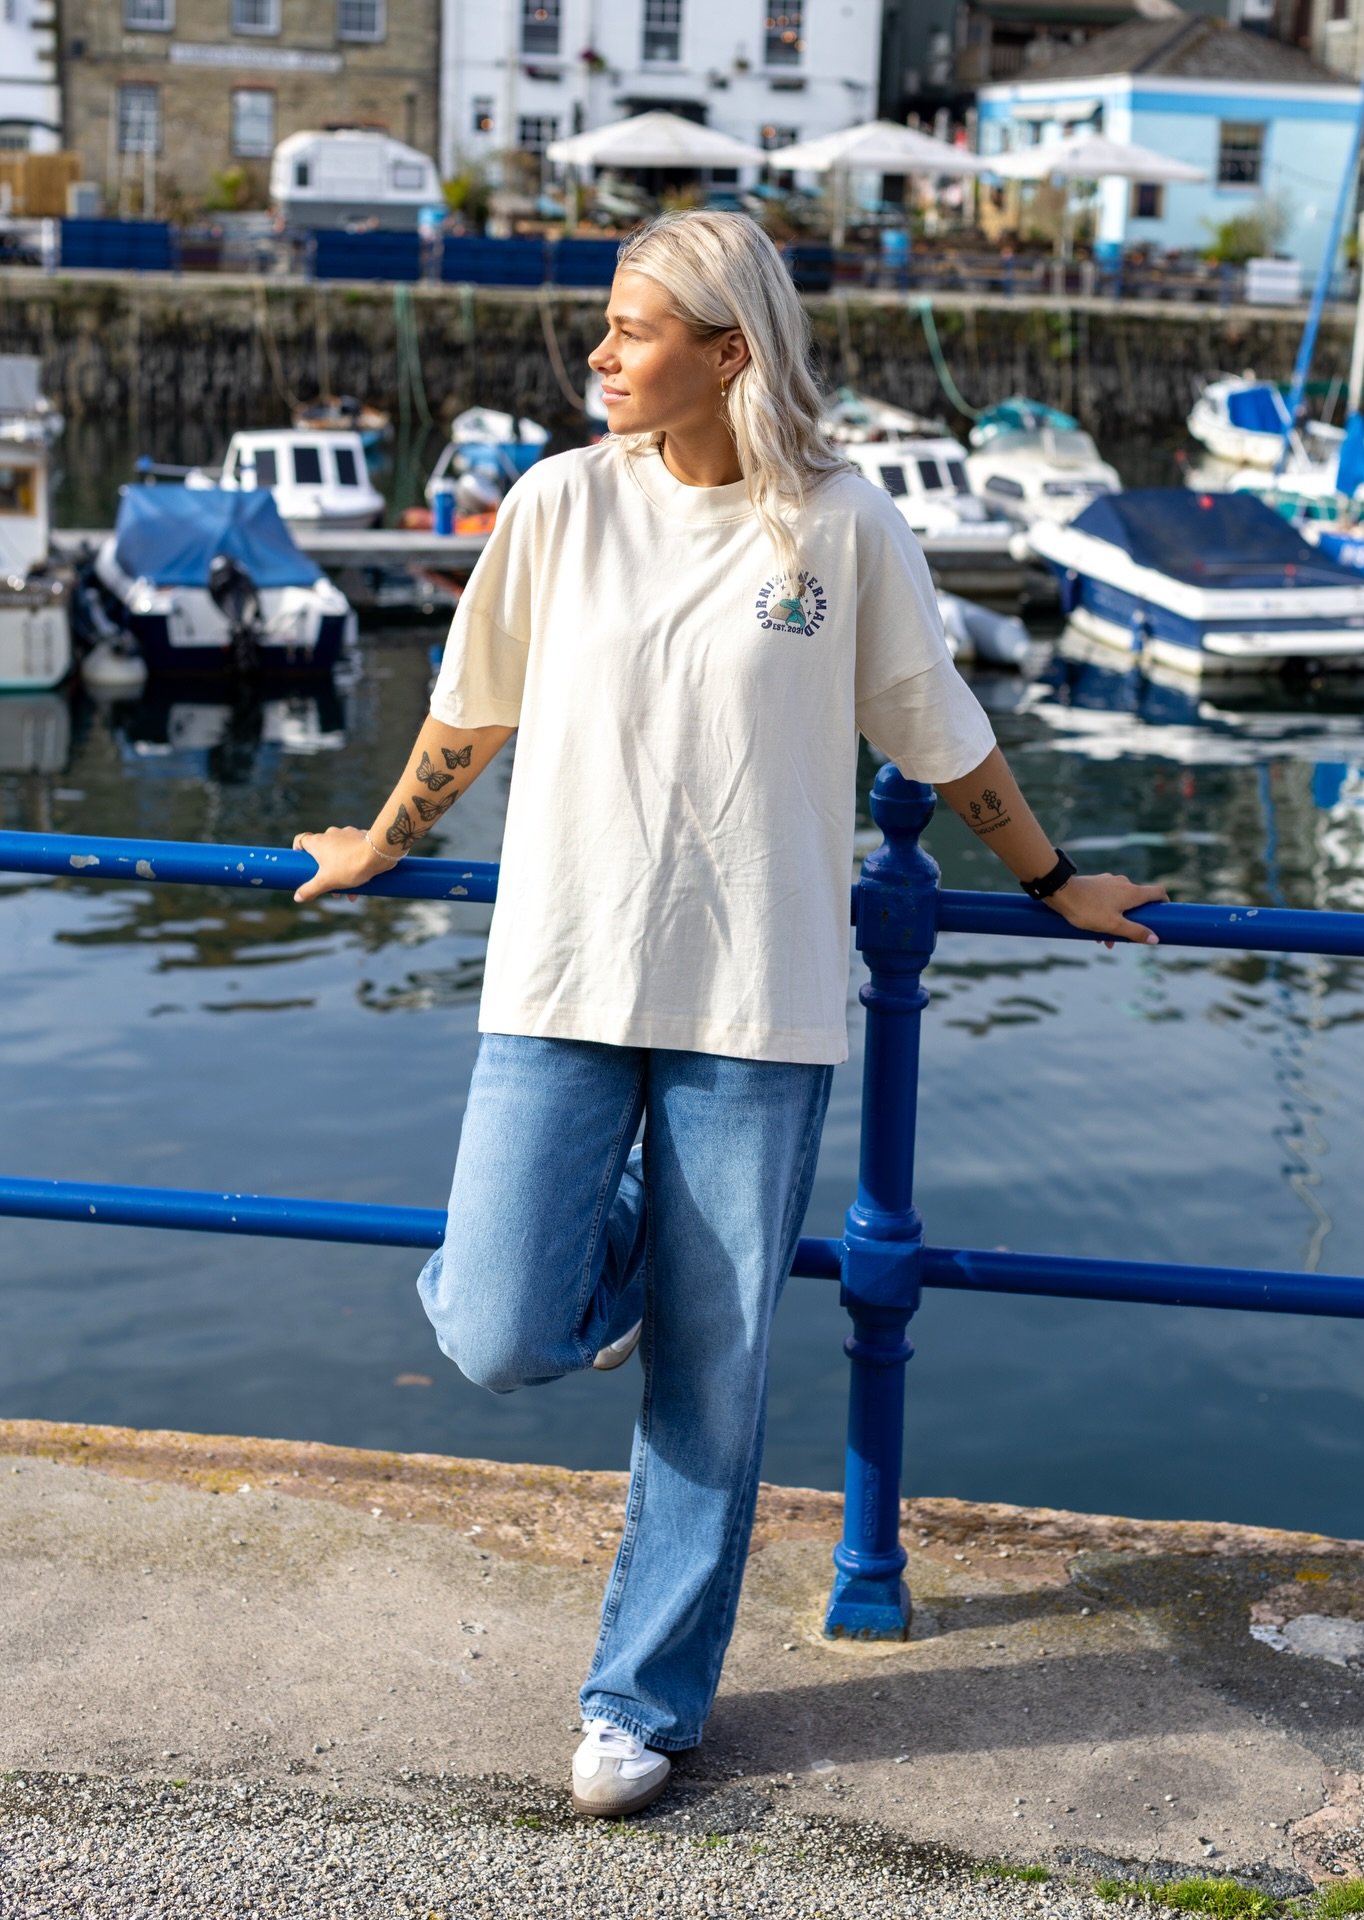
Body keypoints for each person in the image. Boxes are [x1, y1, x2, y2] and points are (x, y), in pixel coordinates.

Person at [290, 209, 1167, 1820]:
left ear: (730, 351)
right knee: (496, 1322)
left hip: (756, 1003)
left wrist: (1054, 883)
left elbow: (938, 731)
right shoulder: (559, 504)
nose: (601, 354)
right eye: (608, 326)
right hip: (565, 972)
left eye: (633, 329)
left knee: (715, 1373)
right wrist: (383, 840)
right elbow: (470, 711)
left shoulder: (839, 525)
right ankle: (628, 1245)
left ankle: (640, 1702)